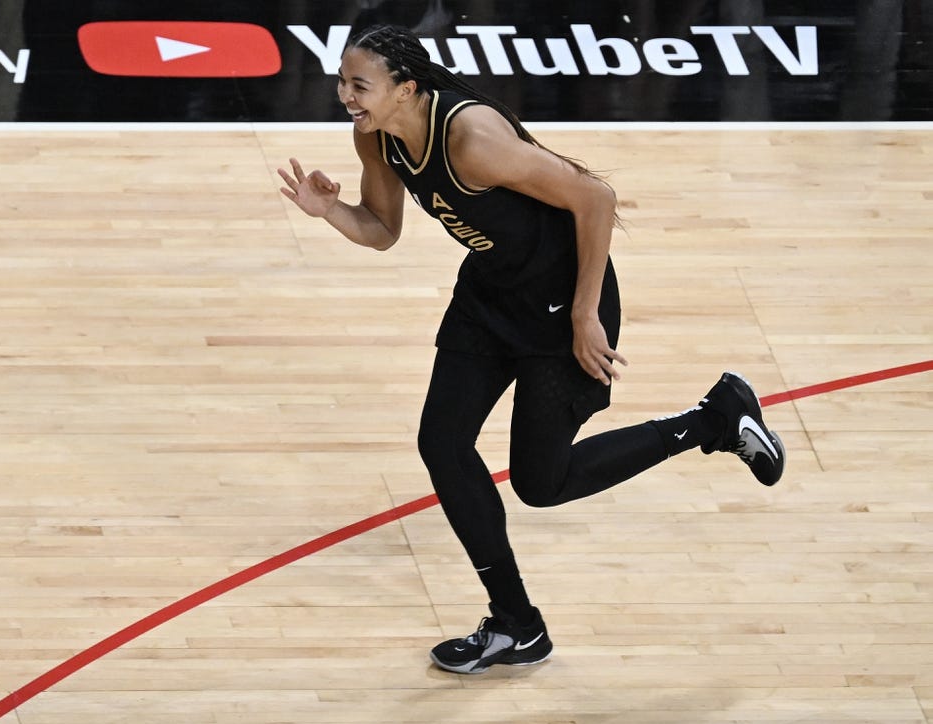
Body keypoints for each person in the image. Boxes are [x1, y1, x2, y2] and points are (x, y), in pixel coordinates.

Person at [277, 24, 785, 675]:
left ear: (405, 87)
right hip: (491, 296)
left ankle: (712, 420)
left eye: (359, 84)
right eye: (342, 80)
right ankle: (517, 623)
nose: (344, 94)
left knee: (541, 483)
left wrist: (582, 312)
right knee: (442, 442)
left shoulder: (471, 137)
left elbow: (594, 197)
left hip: (564, 300)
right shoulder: (374, 135)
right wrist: (332, 212)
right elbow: (381, 230)